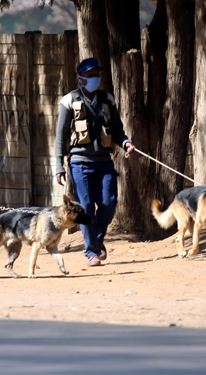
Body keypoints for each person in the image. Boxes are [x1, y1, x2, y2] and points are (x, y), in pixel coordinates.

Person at [54, 57, 135, 267]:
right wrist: (58, 167)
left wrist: (126, 143)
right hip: (79, 163)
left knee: (108, 203)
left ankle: (96, 239)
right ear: (81, 78)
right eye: (90, 75)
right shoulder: (69, 101)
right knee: (86, 207)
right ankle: (91, 251)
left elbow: (117, 130)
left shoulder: (108, 99)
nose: (95, 79)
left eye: (97, 75)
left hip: (104, 162)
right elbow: (61, 138)